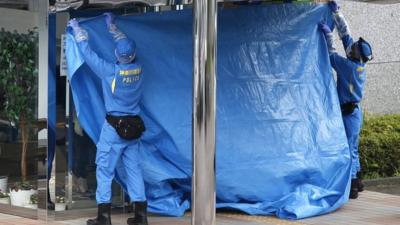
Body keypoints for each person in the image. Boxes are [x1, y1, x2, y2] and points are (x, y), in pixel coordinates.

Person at [68, 12, 148, 225]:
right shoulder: (138, 69)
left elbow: (88, 54)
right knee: (134, 170)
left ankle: (104, 217)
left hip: (113, 130)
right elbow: (125, 46)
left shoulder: (110, 72)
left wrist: (78, 31)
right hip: (134, 129)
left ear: (116, 54)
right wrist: (113, 28)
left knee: (104, 171)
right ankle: (141, 216)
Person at [319, 1, 373, 199]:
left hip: (348, 114)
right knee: (354, 147)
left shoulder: (348, 68)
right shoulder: (357, 64)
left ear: (355, 53)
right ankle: (358, 181)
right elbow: (346, 35)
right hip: (354, 113)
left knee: (349, 148)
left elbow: (332, 55)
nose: (350, 47)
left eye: (353, 47)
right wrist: (337, 14)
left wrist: (326, 34)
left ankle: (351, 188)